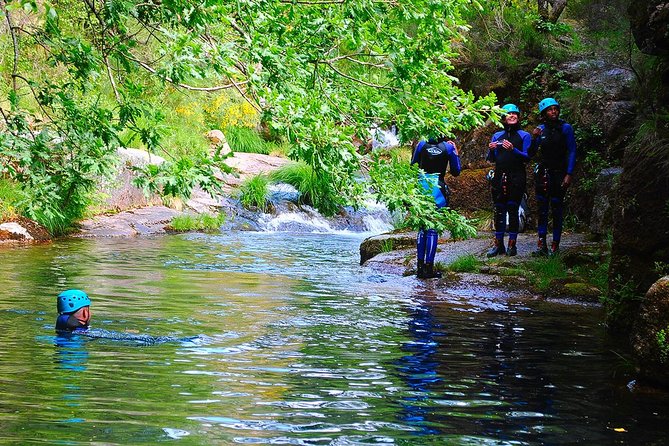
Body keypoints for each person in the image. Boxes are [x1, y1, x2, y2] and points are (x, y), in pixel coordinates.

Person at [529, 97, 577, 256]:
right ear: (544, 113)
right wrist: (534, 138)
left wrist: (569, 174)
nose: (553, 112)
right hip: (544, 174)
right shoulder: (540, 129)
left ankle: (555, 246)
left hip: (559, 173)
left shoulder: (566, 128)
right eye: (550, 110)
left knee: (557, 208)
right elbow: (531, 153)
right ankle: (541, 245)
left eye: (555, 109)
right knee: (542, 209)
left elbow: (572, 151)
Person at [411, 136, 461, 278]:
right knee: (432, 229)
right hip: (438, 188)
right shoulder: (448, 147)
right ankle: (429, 269)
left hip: (421, 186)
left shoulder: (421, 144)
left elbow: (413, 166)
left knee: (422, 227)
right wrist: (455, 152)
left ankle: (420, 268)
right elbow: (456, 171)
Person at [486, 104, 531, 257]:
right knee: (499, 210)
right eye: (508, 114)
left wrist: (513, 149)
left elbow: (527, 157)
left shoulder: (524, 135)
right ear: (503, 118)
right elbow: (491, 159)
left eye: (515, 114)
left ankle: (512, 245)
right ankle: (498, 245)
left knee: (512, 209)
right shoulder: (497, 135)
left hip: (517, 175)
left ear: (518, 117)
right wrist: (491, 150)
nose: (512, 116)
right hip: (500, 175)